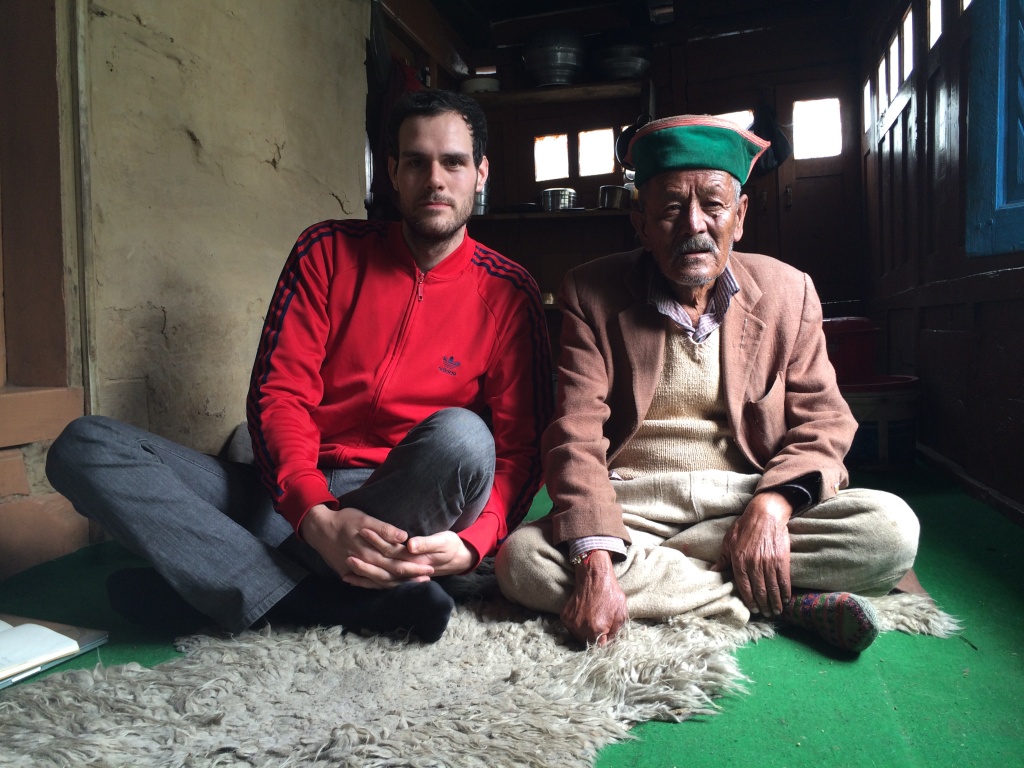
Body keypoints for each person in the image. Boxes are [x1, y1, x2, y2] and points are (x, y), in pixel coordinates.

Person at [47, 89, 552, 643]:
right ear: (392, 173)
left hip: (409, 496)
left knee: (464, 438)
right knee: (85, 445)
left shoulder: (510, 292)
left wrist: (475, 543)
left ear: (480, 173)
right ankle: (311, 599)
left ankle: (225, 579)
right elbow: (279, 394)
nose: (435, 178)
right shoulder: (326, 251)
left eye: (453, 162)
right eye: (416, 162)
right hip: (289, 494)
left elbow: (521, 449)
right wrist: (314, 514)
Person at [495, 114, 919, 653]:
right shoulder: (589, 291)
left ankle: (693, 571)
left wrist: (771, 509)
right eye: (671, 209)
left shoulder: (791, 291)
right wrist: (598, 562)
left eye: (713, 206)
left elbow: (826, 421)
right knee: (522, 563)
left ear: (739, 216)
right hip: (634, 505)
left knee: (891, 530)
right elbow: (575, 432)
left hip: (746, 493)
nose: (694, 225)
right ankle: (779, 597)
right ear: (641, 222)